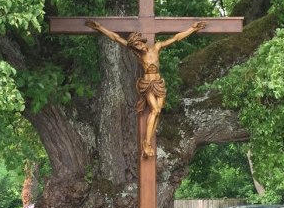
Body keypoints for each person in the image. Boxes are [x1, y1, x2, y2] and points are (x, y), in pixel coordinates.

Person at [85, 19, 207, 158]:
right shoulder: (139, 54)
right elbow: (116, 37)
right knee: (154, 110)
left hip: (159, 84)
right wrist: (100, 27)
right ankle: (146, 143)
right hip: (147, 85)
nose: (138, 47)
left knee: (158, 111)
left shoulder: (156, 47)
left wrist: (192, 29)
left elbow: (176, 38)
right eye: (135, 47)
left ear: (141, 40)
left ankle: (148, 140)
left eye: (138, 44)